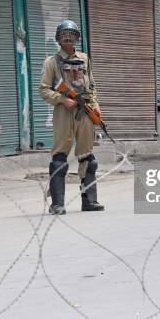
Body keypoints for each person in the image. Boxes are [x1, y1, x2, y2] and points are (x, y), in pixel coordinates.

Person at [40, 20, 105, 215]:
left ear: (77, 37)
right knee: (60, 158)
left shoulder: (84, 59)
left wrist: (96, 106)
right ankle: (57, 204)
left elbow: (91, 86)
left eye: (72, 34)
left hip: (84, 112)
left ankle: (89, 201)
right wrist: (61, 99)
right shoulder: (51, 62)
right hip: (64, 113)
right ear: (58, 39)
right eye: (64, 35)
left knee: (88, 158)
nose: (68, 38)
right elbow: (44, 90)